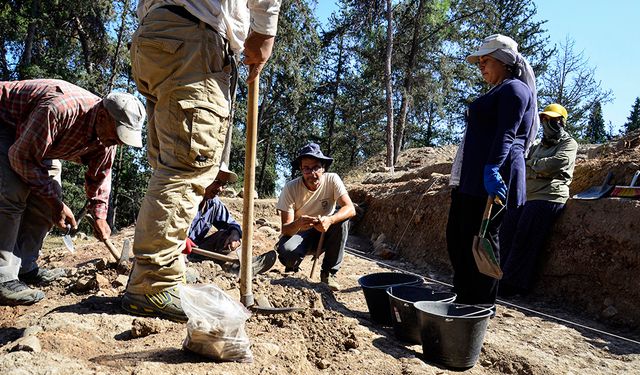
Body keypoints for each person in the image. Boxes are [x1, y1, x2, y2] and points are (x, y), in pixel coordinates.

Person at [122, 1, 281, 321]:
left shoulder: (218, 208)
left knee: (170, 163)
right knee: (187, 163)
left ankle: (155, 272)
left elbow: (229, 225)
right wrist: (263, 31)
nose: (218, 188)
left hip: (154, 36)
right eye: (219, 183)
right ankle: (153, 283)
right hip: (193, 37)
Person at [0, 79, 145, 306]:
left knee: (46, 199)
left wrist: (99, 215)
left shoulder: (108, 139)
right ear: (103, 116)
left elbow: (100, 177)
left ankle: (25, 267)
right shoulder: (59, 109)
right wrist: (57, 204)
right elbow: (21, 157)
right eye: (117, 134)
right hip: (6, 123)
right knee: (11, 193)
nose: (117, 142)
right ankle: (2, 277)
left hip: (38, 139)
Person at [447, 34, 538, 305]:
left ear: (504, 60)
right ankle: (464, 298)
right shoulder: (499, 90)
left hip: (493, 177)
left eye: (485, 60)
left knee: (482, 241)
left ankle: (481, 306)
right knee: (458, 238)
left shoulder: (515, 90)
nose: (481, 66)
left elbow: (507, 134)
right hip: (473, 178)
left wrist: (492, 169)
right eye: (479, 62)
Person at [498, 104, 578, 297]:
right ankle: (497, 277)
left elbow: (555, 164)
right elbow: (523, 164)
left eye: (552, 119)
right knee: (506, 232)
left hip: (549, 196)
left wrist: (533, 165)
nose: (547, 123)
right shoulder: (537, 145)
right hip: (528, 195)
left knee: (524, 237)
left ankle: (513, 285)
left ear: (561, 121)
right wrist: (537, 167)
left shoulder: (569, 144)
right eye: (544, 119)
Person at [275, 143, 356, 291]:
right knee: (287, 251)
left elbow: (350, 208)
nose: (312, 173)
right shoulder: (290, 188)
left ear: (323, 167)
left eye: (316, 167)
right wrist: (299, 223)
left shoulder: (332, 180)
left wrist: (330, 220)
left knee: (342, 221)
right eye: (306, 168)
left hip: (325, 232)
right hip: (301, 233)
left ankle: (328, 273)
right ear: (301, 169)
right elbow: (285, 229)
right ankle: (292, 267)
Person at [186, 163, 276, 275]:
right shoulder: (185, 198)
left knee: (225, 234)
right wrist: (179, 239)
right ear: (205, 177)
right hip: (171, 250)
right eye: (217, 181)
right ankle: (242, 266)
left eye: (223, 184)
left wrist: (234, 234)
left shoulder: (214, 203)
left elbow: (232, 224)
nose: (220, 188)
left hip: (195, 249)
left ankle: (236, 267)